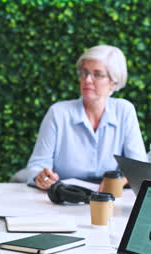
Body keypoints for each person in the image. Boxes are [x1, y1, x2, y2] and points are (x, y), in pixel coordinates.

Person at [24, 45, 147, 190]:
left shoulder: (124, 111)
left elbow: (139, 169)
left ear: (113, 83)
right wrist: (41, 177)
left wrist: (120, 181)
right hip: (65, 199)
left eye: (97, 74)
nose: (88, 79)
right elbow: (36, 167)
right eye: (84, 73)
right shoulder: (58, 113)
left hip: (111, 199)